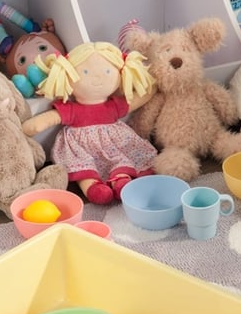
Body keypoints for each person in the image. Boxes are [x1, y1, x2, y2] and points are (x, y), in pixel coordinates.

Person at [21, 42, 157, 205]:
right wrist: (31, 127)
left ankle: (121, 180)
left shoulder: (113, 105)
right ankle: (93, 188)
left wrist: (152, 87)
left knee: (120, 157)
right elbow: (39, 123)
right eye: (85, 72)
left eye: (108, 71)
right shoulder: (73, 109)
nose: (98, 79)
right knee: (83, 165)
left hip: (112, 142)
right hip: (81, 146)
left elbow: (137, 99)